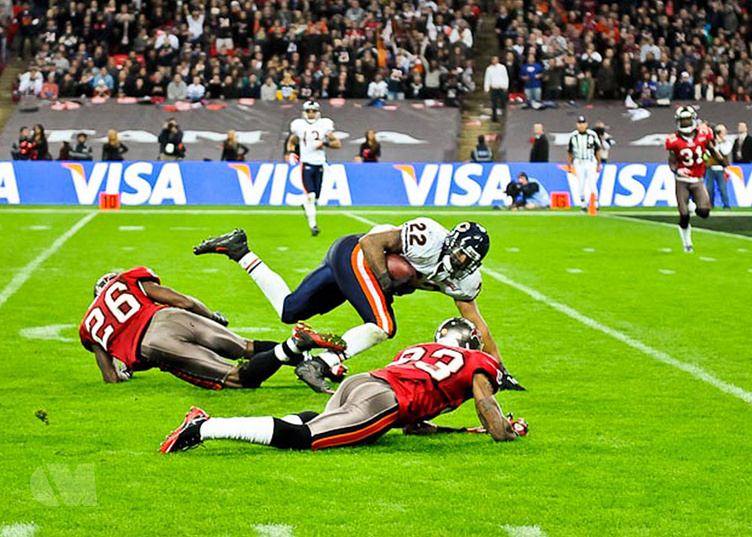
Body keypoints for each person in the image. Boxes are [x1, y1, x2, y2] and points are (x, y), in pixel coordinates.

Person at [193, 219, 524, 394]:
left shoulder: (466, 281)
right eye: (459, 252)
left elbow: (477, 322)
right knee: (384, 325)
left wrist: (499, 368)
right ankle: (321, 364)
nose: (460, 261)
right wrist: (386, 282)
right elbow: (371, 242)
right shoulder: (429, 238)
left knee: (290, 310)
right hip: (358, 254)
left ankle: (240, 251)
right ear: (450, 242)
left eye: (468, 259)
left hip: (353, 263)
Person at [160, 318, 529, 453]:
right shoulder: (478, 363)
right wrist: (506, 431)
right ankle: (206, 427)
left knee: (320, 422)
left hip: (363, 382)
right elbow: (487, 407)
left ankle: (207, 426)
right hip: (384, 400)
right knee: (305, 439)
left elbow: (416, 420)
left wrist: (449, 431)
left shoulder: (420, 350)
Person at [80, 267, 345, 390]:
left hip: (154, 343)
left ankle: (294, 344)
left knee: (237, 378)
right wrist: (211, 317)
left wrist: (125, 373)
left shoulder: (89, 326)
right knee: (245, 347)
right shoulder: (125, 280)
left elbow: (110, 377)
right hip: (171, 316)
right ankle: (324, 364)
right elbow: (182, 301)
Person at [665, 106, 723, 253]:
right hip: (682, 180)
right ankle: (687, 244)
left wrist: (723, 163)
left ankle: (692, 206)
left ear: (693, 119)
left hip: (697, 179)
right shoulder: (674, 140)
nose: (685, 123)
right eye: (683, 120)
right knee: (684, 215)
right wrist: (677, 169)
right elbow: (672, 161)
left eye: (687, 119)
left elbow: (712, 150)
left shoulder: (703, 134)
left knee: (704, 212)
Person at [285, 101, 341, 236]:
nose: (311, 114)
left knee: (316, 198)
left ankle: (307, 207)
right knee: (310, 195)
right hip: (306, 163)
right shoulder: (299, 125)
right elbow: (292, 141)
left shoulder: (324, 125)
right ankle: (313, 225)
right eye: (309, 111)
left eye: (313, 111)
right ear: (304, 112)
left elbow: (337, 143)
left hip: (320, 163)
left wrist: (324, 143)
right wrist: (290, 152)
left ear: (317, 112)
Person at [566, 116, 602, 211]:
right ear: (577, 125)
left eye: (583, 123)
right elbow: (569, 151)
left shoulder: (592, 135)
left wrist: (599, 164)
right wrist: (568, 165)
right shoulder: (573, 136)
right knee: (581, 183)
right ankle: (583, 203)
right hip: (579, 162)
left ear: (586, 124)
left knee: (592, 183)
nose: (581, 126)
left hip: (590, 161)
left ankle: (595, 203)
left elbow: (598, 150)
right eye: (579, 124)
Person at [704, 124, 731, 210]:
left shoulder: (727, 142)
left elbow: (725, 151)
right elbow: (708, 153)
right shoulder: (710, 142)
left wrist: (720, 142)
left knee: (723, 188)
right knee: (709, 188)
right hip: (710, 167)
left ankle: (726, 205)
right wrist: (714, 143)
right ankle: (710, 204)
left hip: (720, 168)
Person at [484, 56, 508, 122]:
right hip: (494, 88)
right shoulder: (489, 69)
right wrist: (486, 88)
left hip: (501, 87)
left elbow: (505, 77)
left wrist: (506, 86)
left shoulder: (502, 67)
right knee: (494, 104)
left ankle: (504, 116)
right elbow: (487, 79)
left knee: (503, 103)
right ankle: (494, 118)